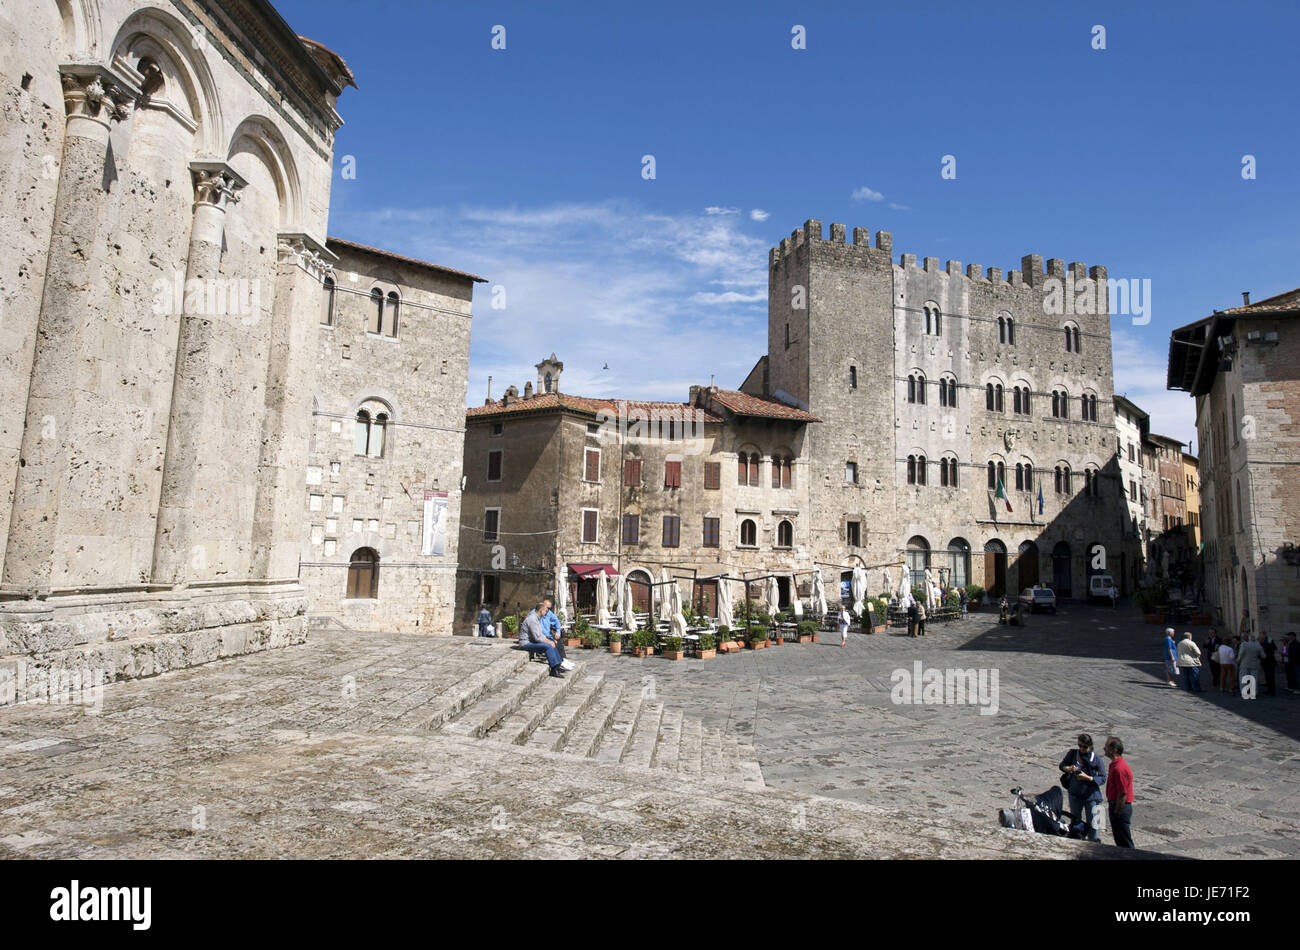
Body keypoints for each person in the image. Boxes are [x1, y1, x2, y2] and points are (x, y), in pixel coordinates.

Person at [1059, 733, 1107, 842]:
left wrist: (1088, 778)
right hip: (1075, 794)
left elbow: (1103, 778)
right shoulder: (1073, 754)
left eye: (1084, 747)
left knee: (1093, 823)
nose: (1082, 749)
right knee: (1075, 821)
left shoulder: (1096, 759)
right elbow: (1062, 765)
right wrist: (1069, 769)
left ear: (1090, 746)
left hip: (1091, 796)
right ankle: (1076, 840)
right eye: (1079, 746)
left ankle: (1093, 845)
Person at [519, 601, 566, 677]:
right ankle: (554, 669)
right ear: (541, 611)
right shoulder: (532, 619)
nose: (546, 612)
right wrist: (549, 642)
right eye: (545, 611)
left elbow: (540, 634)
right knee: (548, 646)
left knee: (551, 643)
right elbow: (537, 637)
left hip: (532, 641)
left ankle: (558, 665)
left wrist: (550, 641)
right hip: (525, 643)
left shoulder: (537, 618)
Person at [1103, 736, 1134, 849]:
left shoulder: (1119, 768)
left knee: (1124, 841)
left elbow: (1123, 794)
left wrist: (1116, 812)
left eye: (1106, 747)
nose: (1104, 749)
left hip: (1120, 807)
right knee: (1120, 840)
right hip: (1117, 806)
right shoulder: (1115, 765)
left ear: (1114, 750)